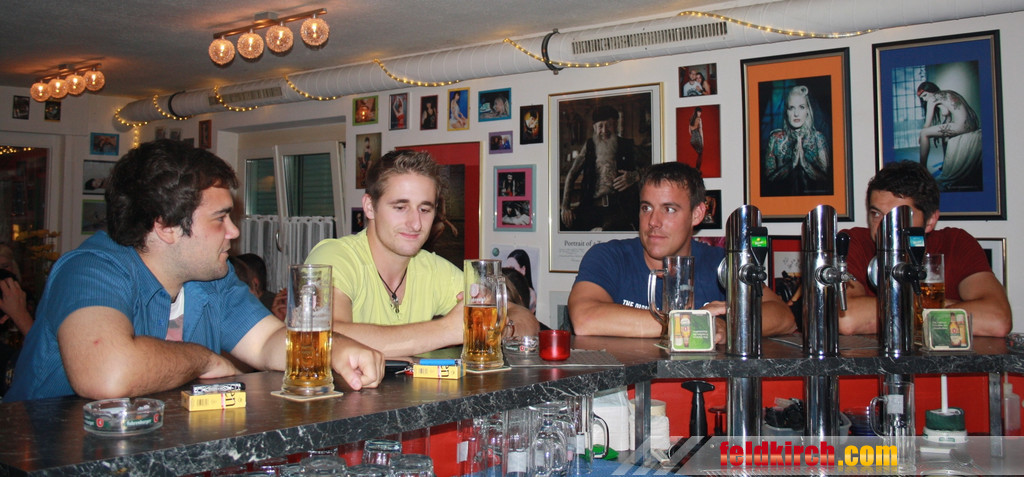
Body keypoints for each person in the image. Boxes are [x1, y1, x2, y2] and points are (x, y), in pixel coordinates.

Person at [4, 140, 383, 402]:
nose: (234, 232)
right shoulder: (91, 270)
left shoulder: (213, 278)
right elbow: (107, 374)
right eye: (220, 218)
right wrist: (202, 359)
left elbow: (268, 342)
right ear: (166, 226)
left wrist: (336, 350)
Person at [304, 150, 539, 357]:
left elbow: (524, 318)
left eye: (425, 209)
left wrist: (499, 328)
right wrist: (447, 330)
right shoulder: (335, 257)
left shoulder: (432, 269)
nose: (416, 223)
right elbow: (326, 336)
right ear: (369, 207)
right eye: (400, 207)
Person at [568, 162, 796, 340]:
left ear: (697, 214)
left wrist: (729, 325)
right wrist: (696, 325)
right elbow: (585, 318)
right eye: (646, 208)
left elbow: (783, 317)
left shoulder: (720, 263)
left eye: (669, 209)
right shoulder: (609, 256)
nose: (653, 221)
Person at [839, 160, 1011, 337]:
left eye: (899, 216)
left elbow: (997, 320)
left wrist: (894, 309)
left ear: (930, 221)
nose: (884, 227)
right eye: (876, 214)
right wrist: (938, 306)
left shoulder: (955, 243)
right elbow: (848, 319)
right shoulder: (855, 242)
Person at [559, 105, 642, 232]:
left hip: (619, 210)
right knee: (562, 224)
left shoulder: (627, 145)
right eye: (600, 126)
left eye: (609, 125)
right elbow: (572, 174)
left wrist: (635, 176)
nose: (604, 130)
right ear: (594, 128)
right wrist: (565, 207)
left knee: (608, 231)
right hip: (590, 208)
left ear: (616, 125)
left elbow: (651, 169)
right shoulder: (589, 146)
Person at [763, 85, 831, 197]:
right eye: (791, 108)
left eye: (801, 107)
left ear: (808, 110)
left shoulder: (818, 138)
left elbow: (827, 180)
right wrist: (792, 165)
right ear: (786, 111)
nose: (796, 114)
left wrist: (804, 164)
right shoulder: (775, 139)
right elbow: (767, 181)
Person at [916, 81, 982, 190]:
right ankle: (945, 164)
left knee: (924, 133)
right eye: (922, 97)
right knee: (944, 137)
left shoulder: (933, 98)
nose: (924, 99)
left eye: (925, 95)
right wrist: (938, 132)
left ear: (931, 91)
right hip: (972, 124)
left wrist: (921, 136)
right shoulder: (947, 93)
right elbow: (948, 118)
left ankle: (922, 169)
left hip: (962, 126)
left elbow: (927, 124)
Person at [504, 249, 537, 314]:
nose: (508, 272)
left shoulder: (531, 295)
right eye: (506, 268)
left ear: (523, 269)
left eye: (512, 269)